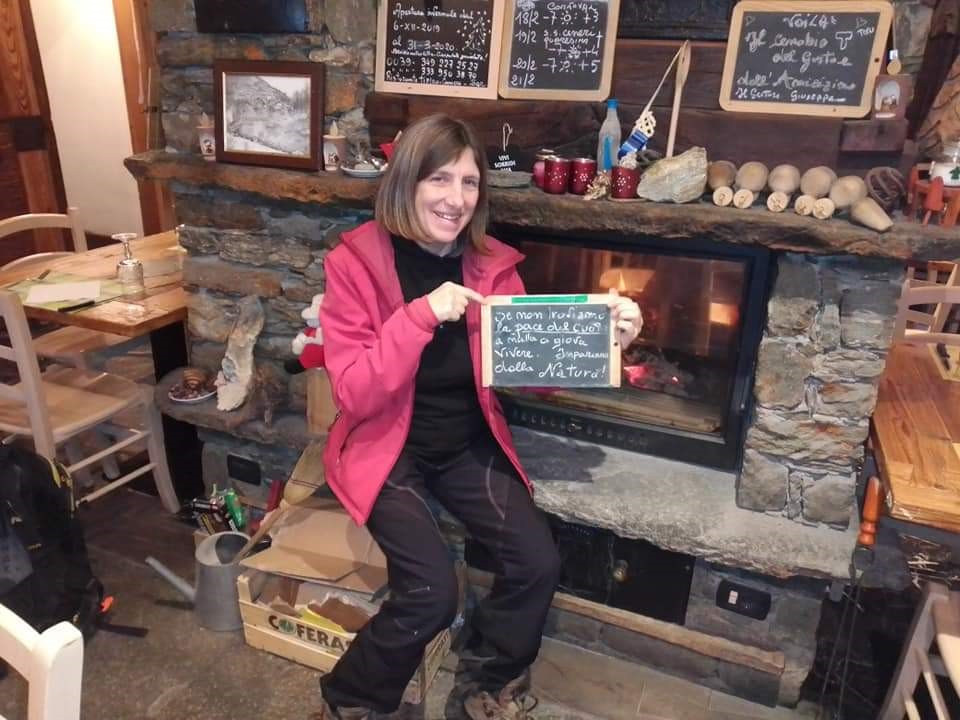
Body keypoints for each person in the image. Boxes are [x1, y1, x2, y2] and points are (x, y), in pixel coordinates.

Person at [316, 114, 642, 720]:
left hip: (464, 442)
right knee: (430, 594)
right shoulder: (355, 263)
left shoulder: (491, 265)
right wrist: (419, 316)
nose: (456, 198)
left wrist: (609, 342)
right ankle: (350, 697)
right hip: (387, 447)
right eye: (439, 179)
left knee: (537, 563)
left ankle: (485, 679)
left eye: (469, 182)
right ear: (407, 182)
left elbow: (531, 370)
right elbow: (355, 393)